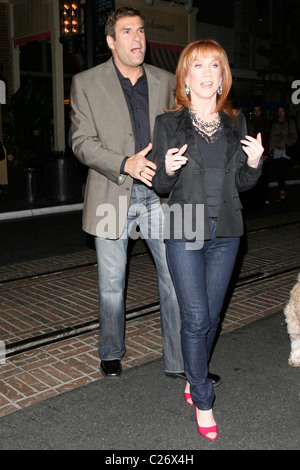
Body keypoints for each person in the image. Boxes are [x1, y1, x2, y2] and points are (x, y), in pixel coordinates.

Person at [70, 7, 224, 384]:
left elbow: (191, 125)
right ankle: (110, 352)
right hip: (112, 193)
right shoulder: (86, 83)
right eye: (127, 32)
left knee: (175, 280)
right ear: (110, 41)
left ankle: (180, 362)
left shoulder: (165, 80)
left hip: (163, 196)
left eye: (140, 31)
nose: (137, 39)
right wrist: (125, 163)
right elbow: (80, 143)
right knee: (111, 284)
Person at [150, 38, 264, 440]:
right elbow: (163, 186)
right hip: (185, 229)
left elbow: (245, 185)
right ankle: (202, 396)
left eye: (213, 66)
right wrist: (164, 168)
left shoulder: (238, 124)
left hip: (227, 233)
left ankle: (192, 373)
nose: (205, 73)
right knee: (195, 317)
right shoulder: (168, 124)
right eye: (197, 66)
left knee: (212, 317)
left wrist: (254, 163)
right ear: (185, 76)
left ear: (222, 77)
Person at [269, 104, 297, 201]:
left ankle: (282, 190)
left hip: (285, 149)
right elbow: (272, 137)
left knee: (283, 169)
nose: (280, 113)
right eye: (279, 111)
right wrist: (270, 151)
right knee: (278, 170)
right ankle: (282, 189)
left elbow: (295, 136)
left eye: (282, 111)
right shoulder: (275, 123)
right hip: (277, 149)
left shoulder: (290, 122)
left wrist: (287, 141)